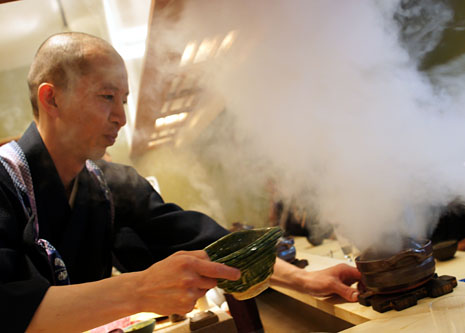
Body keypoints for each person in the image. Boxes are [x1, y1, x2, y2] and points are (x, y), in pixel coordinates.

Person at [0, 32, 361, 332]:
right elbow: (9, 306)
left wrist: (305, 281)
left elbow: (202, 240)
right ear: (52, 98)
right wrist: (141, 289)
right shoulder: (4, 180)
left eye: (124, 100)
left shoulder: (108, 184)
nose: (121, 117)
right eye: (107, 97)